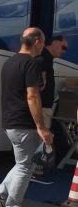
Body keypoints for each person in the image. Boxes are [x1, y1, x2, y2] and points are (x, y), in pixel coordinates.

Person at [0, 27, 52, 207]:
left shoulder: (10, 62)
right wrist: (41, 126)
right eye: (44, 42)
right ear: (37, 42)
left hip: (11, 121)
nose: (44, 46)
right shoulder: (31, 64)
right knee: (26, 166)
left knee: (22, 163)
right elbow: (32, 96)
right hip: (24, 123)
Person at [30, 35, 68, 184]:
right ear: (55, 43)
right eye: (63, 47)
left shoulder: (46, 59)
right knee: (42, 139)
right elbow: (40, 84)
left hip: (43, 106)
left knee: (41, 138)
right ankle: (36, 171)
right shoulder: (43, 59)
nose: (64, 52)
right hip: (42, 106)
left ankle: (34, 170)